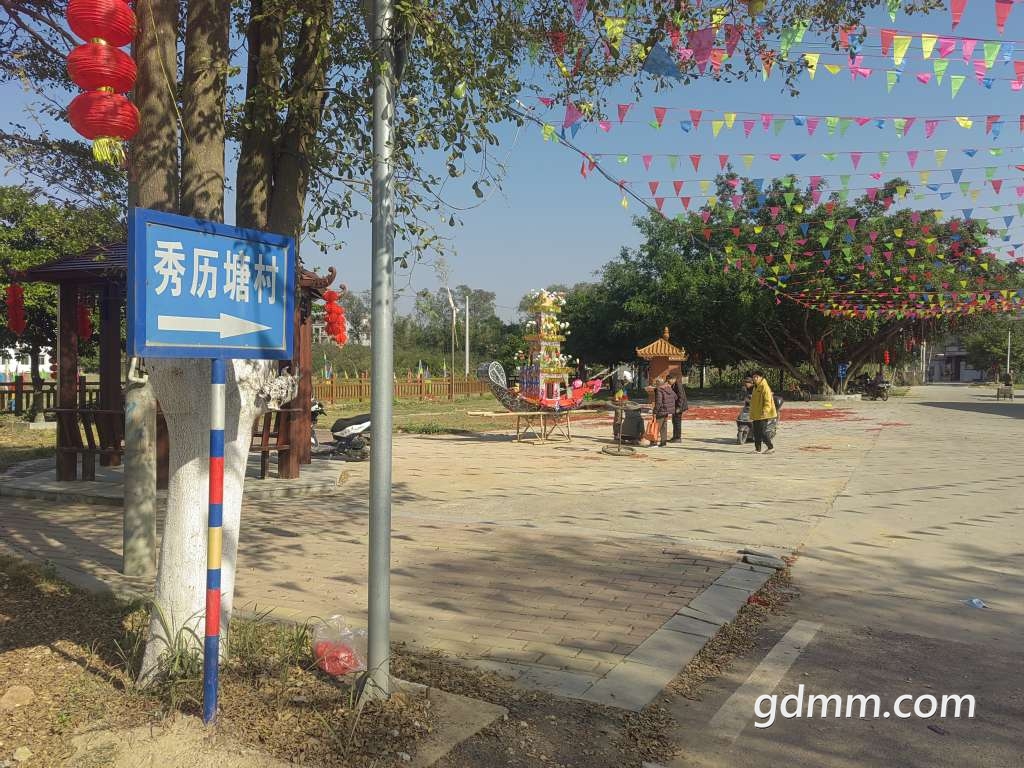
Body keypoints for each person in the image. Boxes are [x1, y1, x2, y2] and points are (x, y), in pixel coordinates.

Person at [749, 370, 778, 455]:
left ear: (761, 377)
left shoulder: (764, 386)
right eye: (753, 377)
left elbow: (767, 401)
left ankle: (770, 447)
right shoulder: (756, 386)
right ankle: (757, 449)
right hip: (756, 413)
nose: (755, 378)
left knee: (762, 432)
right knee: (756, 432)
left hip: (763, 414)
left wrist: (765, 411)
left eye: (756, 377)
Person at [652, 375, 677, 448]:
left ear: (657, 383)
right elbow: (675, 397)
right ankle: (663, 443)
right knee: (664, 427)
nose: (654, 385)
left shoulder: (659, 389)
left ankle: (654, 443)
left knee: (657, 427)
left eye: (655, 383)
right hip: (667, 410)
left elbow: (659, 402)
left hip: (661, 410)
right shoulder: (668, 388)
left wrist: (655, 411)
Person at [668, 372, 688, 443]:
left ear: (673, 379)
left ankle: (678, 437)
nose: (668, 382)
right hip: (675, 406)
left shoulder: (678, 385)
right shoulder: (673, 385)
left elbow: (681, 397)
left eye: (669, 380)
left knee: (677, 422)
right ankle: (675, 436)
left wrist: (679, 408)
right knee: (674, 421)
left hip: (679, 407)